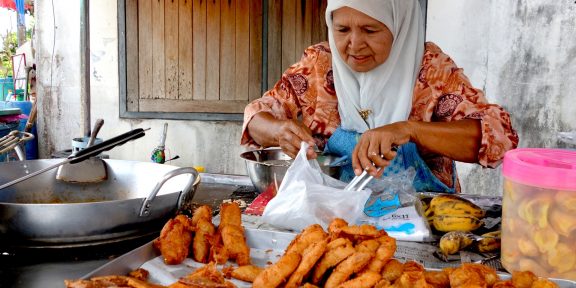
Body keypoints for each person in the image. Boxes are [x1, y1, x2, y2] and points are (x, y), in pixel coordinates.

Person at [241, 0, 518, 193]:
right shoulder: (318, 65)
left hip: (422, 221)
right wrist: (278, 130)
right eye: (342, 29)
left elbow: (499, 136)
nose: (354, 44)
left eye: (370, 30)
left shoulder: (431, 69)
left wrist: (411, 131)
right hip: (334, 213)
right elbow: (257, 114)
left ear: (399, 26)